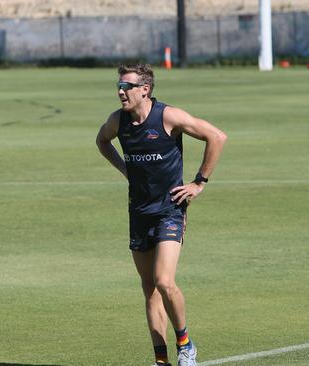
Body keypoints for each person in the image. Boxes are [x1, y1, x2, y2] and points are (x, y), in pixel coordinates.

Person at [96, 64, 227, 366]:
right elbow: (102, 141)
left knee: (164, 281)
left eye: (126, 86)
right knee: (149, 289)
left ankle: (185, 345)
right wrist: (124, 168)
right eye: (119, 85)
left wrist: (199, 182)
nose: (120, 91)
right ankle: (161, 360)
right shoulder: (118, 121)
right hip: (138, 211)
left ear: (145, 90)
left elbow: (217, 137)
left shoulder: (168, 117)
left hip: (169, 210)